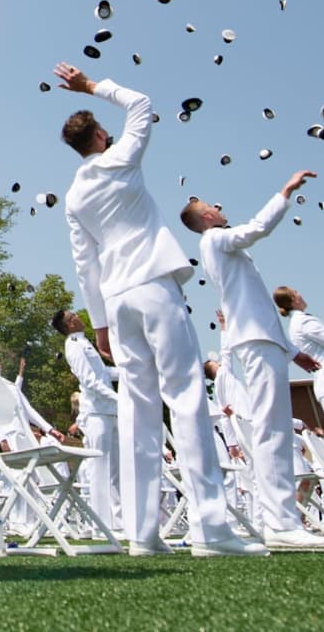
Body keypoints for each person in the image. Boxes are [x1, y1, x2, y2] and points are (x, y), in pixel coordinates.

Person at [56, 62, 266, 557]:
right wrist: (92, 86)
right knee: (187, 397)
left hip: (116, 299)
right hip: (152, 283)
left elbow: (83, 263)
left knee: (137, 408)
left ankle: (143, 533)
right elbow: (143, 104)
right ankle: (211, 529)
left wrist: (99, 323)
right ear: (102, 136)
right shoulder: (120, 159)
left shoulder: (73, 196)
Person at [181, 173, 324, 548]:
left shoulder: (222, 246)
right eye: (210, 207)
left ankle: (281, 519)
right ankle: (279, 521)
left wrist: (293, 350)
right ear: (207, 219)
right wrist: (285, 192)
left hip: (264, 341)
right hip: (255, 343)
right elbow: (258, 228)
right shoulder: (215, 240)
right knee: (270, 428)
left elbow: (258, 306)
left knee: (275, 425)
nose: (217, 206)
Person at [52, 310, 121, 536]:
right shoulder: (74, 345)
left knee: (115, 469)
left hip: (108, 410)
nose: (79, 318)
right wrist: (120, 399)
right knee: (99, 469)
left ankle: (118, 521)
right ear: (70, 325)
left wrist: (129, 372)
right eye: (73, 317)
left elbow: (103, 374)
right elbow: (90, 382)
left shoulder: (84, 342)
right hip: (96, 412)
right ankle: (101, 525)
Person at [274, 287, 324, 436]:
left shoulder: (297, 322)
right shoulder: (303, 321)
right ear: (294, 299)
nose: (301, 294)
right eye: (297, 292)